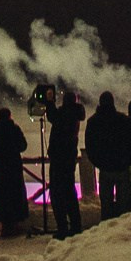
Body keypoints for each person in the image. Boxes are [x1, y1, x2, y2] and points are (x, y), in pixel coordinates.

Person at [85, 92, 131, 221]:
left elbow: (90, 146)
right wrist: (129, 160)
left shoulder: (93, 122)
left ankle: (107, 233)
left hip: (105, 168)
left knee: (106, 207)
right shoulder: (123, 119)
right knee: (124, 208)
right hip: (122, 167)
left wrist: (98, 162)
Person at [47, 89, 85, 236]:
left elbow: (53, 116)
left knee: (57, 193)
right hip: (69, 158)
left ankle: (63, 227)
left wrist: (50, 102)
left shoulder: (64, 114)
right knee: (69, 192)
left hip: (59, 158)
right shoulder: (75, 114)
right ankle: (75, 226)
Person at [0, 106, 28, 237]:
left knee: (2, 195)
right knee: (15, 194)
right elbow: (23, 145)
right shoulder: (14, 129)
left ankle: (5, 226)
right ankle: (15, 224)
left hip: (0, 166)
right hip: (14, 166)